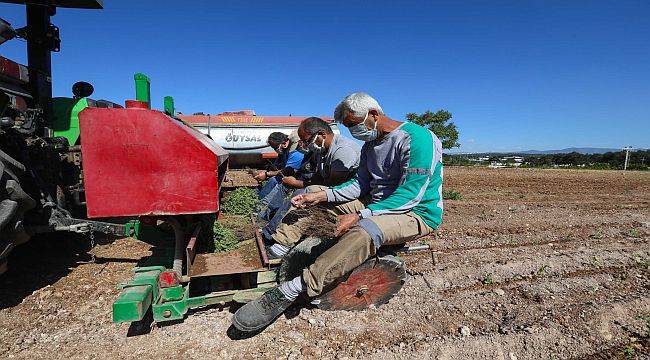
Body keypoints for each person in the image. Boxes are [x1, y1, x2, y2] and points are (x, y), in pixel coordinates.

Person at [232, 92, 444, 333]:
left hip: (414, 212)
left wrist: (361, 215)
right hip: (376, 203)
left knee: (365, 230)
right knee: (312, 193)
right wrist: (320, 196)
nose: (353, 131)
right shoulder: (370, 146)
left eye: (354, 124)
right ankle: (279, 249)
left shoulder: (417, 139)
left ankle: (293, 289)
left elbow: (411, 194)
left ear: (373, 114)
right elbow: (360, 185)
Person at [263, 117, 361, 255]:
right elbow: (318, 177)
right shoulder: (321, 151)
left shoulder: (343, 150)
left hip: (350, 193)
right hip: (336, 189)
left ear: (321, 135)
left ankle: (281, 245)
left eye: (307, 140)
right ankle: (272, 231)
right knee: (303, 191)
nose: (305, 144)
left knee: (307, 194)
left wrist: (297, 183)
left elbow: (333, 184)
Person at [254, 131, 304, 209]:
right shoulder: (283, 150)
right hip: (285, 176)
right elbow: (277, 164)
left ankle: (262, 206)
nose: (275, 150)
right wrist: (267, 172)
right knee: (273, 180)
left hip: (296, 179)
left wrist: (267, 174)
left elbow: (288, 171)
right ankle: (257, 199)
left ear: (284, 144)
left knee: (275, 182)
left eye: (275, 148)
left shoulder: (296, 152)